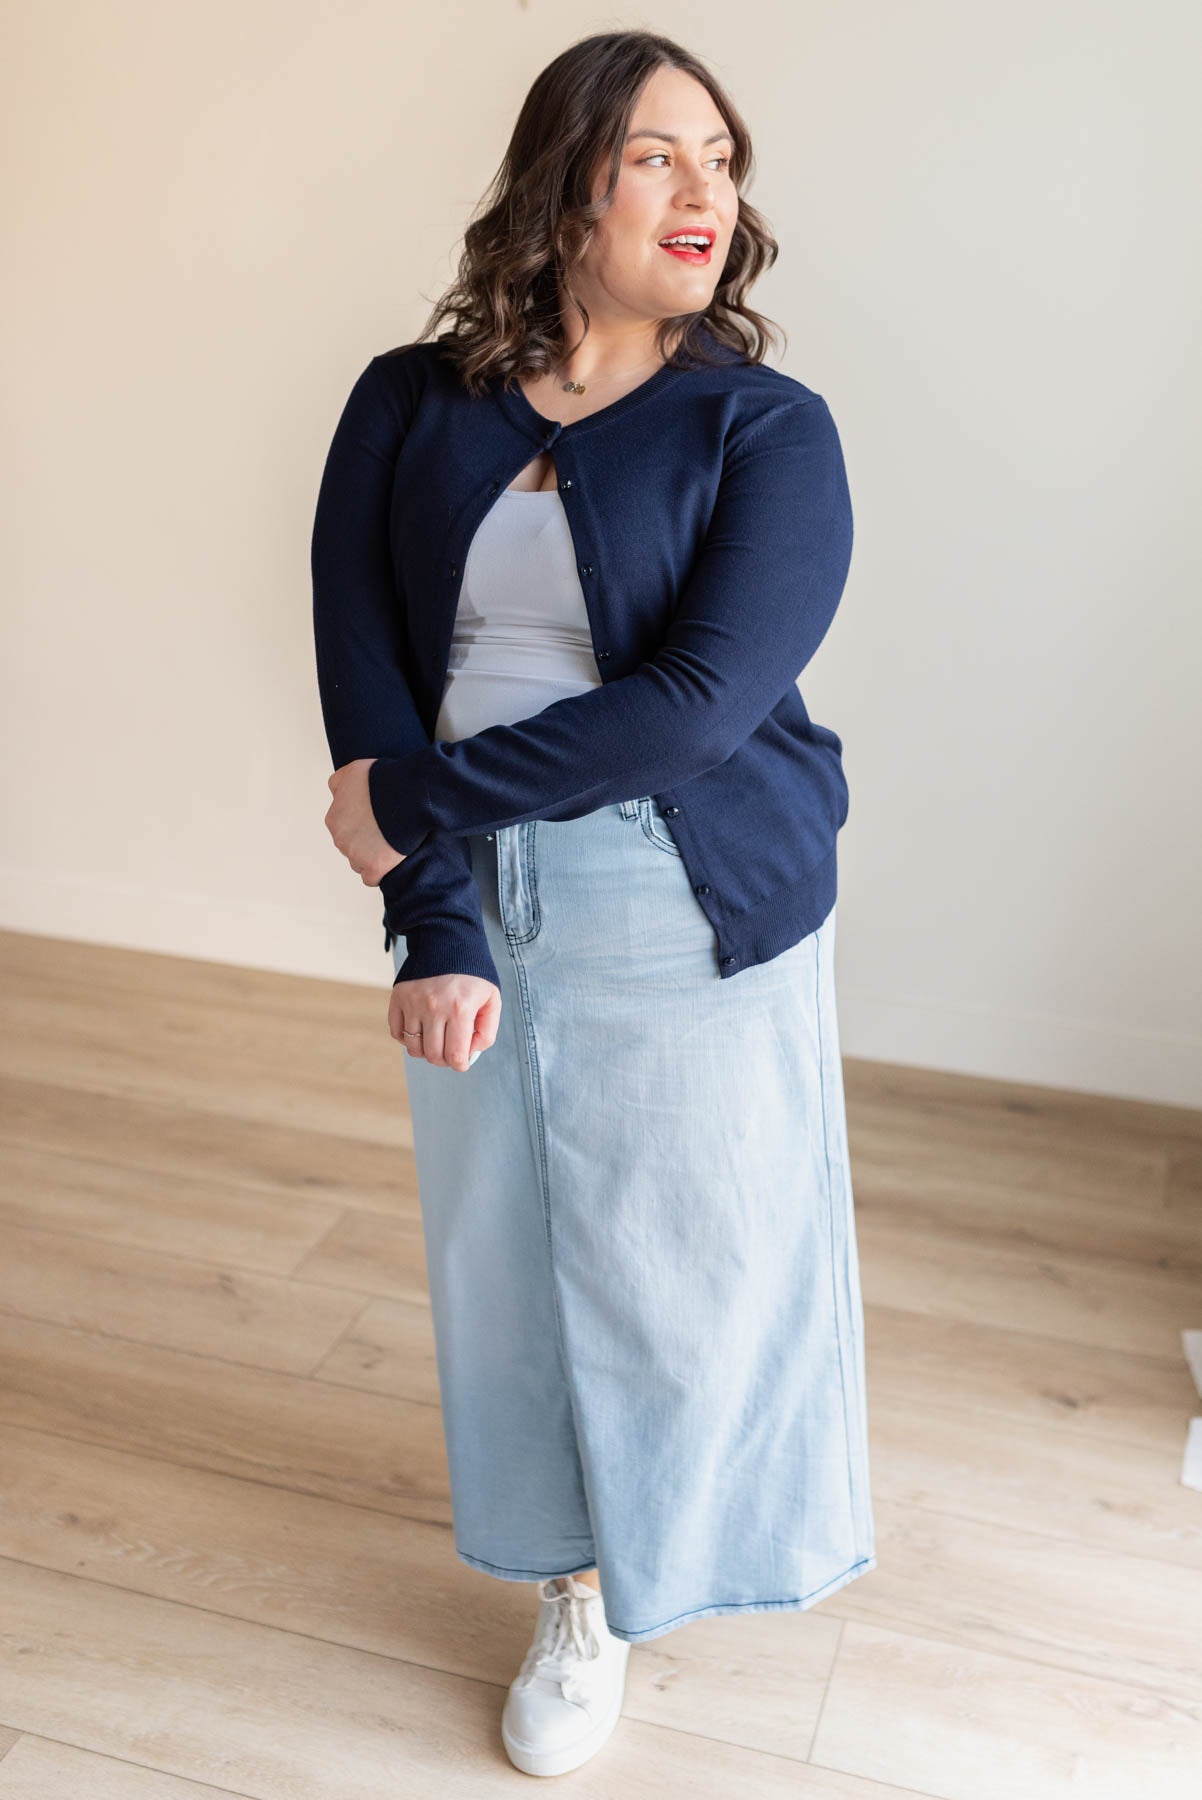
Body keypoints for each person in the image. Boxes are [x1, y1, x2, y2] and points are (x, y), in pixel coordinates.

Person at [311, 28, 875, 1780]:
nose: (704, 189)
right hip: (476, 881)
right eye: (655, 155)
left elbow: (693, 706)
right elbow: (371, 659)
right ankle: (571, 1590)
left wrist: (409, 811)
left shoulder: (764, 426)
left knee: (692, 1267)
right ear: (567, 184)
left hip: (686, 885)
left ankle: (677, 1561)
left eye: (720, 157)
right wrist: (439, 913)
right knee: (515, 1274)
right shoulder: (410, 400)